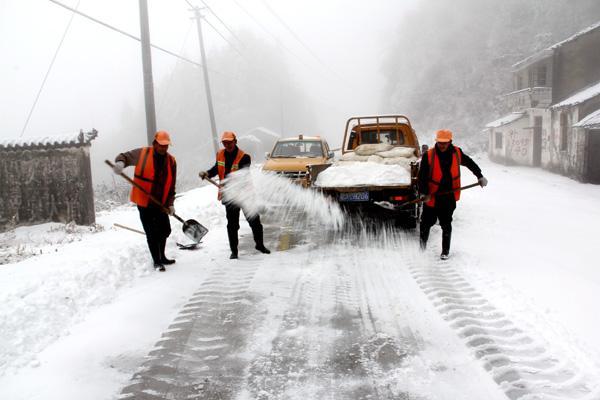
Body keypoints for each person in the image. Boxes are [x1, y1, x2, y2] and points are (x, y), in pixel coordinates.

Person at [199, 131, 270, 260]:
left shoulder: (244, 157)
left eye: (230, 142)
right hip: (229, 196)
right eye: (225, 143)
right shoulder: (220, 154)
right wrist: (207, 173)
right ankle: (234, 251)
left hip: (245, 194)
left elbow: (242, 176)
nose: (227, 145)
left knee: (255, 222)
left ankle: (259, 245)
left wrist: (230, 185)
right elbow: (216, 168)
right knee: (232, 225)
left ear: (235, 141)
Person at [418, 129, 488, 260]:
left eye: (445, 143)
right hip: (432, 195)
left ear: (450, 142)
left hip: (448, 196)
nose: (442, 145)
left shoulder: (457, 153)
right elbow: (421, 176)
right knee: (426, 223)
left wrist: (479, 176)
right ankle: (421, 249)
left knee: (446, 223)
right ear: (436, 142)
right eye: (440, 143)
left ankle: (445, 252)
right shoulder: (429, 155)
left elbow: (470, 163)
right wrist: (424, 192)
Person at [113, 131, 177, 271]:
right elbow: (124, 157)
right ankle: (157, 261)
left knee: (165, 230)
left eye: (166, 146)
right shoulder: (142, 154)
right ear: (155, 143)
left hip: (161, 203)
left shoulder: (171, 161)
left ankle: (162, 256)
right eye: (161, 145)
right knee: (152, 233)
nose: (163, 148)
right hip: (144, 202)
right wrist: (120, 163)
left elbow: (172, 185)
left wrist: (171, 203)